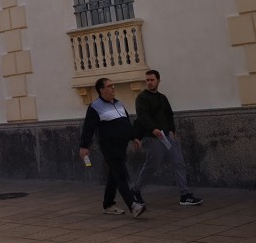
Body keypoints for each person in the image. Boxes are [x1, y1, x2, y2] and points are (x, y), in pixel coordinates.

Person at [132, 69, 203, 208]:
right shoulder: (142, 98)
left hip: (167, 136)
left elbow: (169, 115)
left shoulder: (162, 98)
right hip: (152, 138)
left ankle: (184, 195)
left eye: (152, 80)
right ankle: (135, 190)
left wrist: (172, 130)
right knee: (152, 165)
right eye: (147, 80)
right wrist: (153, 129)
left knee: (179, 162)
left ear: (158, 80)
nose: (149, 83)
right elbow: (142, 117)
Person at [79, 77, 146, 217]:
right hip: (108, 145)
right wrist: (84, 146)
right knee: (121, 174)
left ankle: (108, 204)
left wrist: (134, 137)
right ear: (101, 90)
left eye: (113, 85)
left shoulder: (119, 103)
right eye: (109, 86)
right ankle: (133, 205)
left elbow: (127, 122)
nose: (113, 88)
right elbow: (88, 128)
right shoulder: (95, 107)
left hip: (121, 144)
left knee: (114, 174)